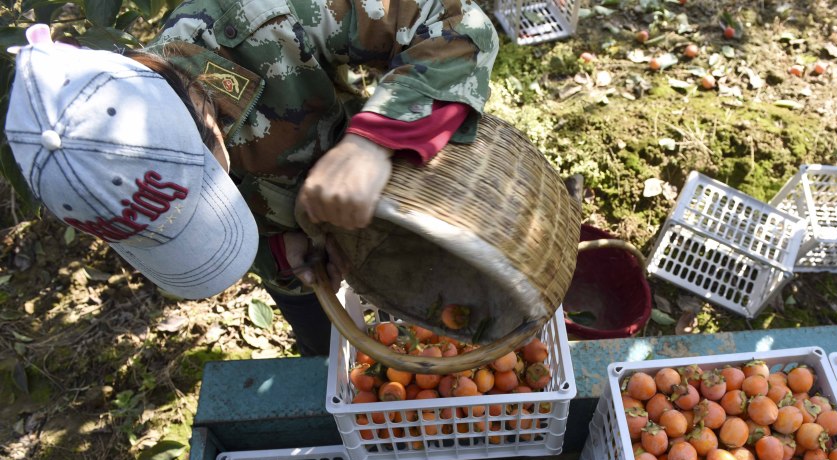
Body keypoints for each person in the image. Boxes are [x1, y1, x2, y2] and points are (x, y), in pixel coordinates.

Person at [4, 0, 499, 356]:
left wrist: (372, 143)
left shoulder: (263, 18)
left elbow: (459, 26)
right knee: (329, 354)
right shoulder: (91, 179)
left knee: (456, 315)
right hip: (305, 266)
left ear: (204, 122)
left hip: (392, 200)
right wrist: (277, 250)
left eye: (204, 201)